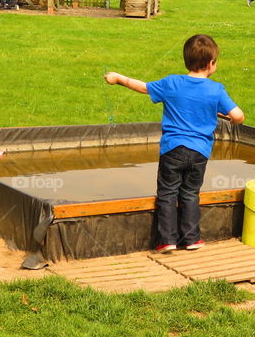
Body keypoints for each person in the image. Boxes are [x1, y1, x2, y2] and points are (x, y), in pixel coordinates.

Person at [104, 34, 245, 252]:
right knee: (190, 193)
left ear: (186, 61)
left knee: (168, 193)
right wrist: (221, 113)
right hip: (200, 152)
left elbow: (142, 87)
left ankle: (166, 240)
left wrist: (118, 78)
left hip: (172, 149)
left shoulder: (172, 83)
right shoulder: (216, 90)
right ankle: (191, 239)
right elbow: (238, 116)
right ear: (211, 64)